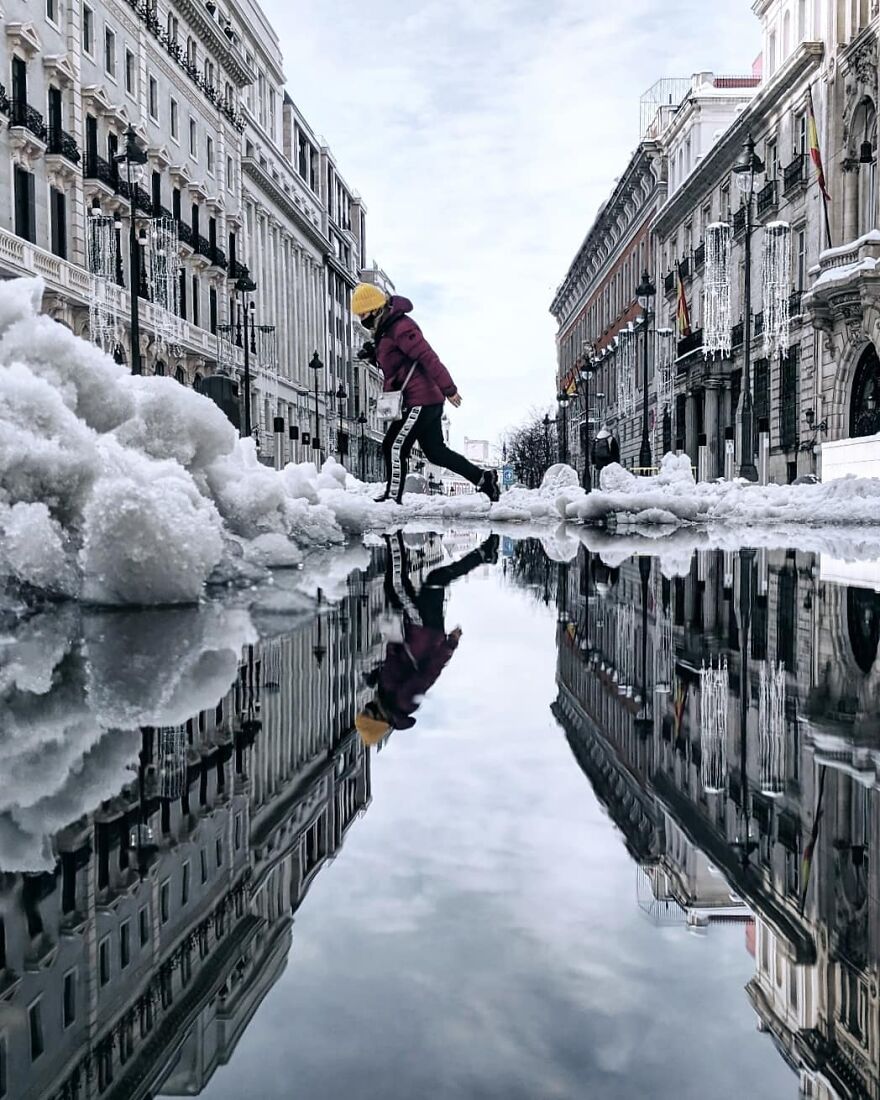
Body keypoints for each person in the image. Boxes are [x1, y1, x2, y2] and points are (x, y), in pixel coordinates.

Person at [351, 284, 500, 504]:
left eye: (363, 313)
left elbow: (427, 356)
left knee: (393, 445)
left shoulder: (401, 327)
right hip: (424, 399)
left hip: (420, 399)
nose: (362, 318)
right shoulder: (386, 330)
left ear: (375, 309)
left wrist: (449, 388)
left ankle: (392, 498)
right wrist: (374, 354)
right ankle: (483, 478)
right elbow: (399, 363)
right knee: (435, 452)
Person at [355, 532, 499, 746]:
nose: (367, 705)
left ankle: (484, 554)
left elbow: (396, 663)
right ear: (377, 718)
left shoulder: (387, 697)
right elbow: (428, 674)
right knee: (396, 586)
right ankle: (393, 534)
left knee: (436, 580)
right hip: (421, 632)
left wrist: (376, 674)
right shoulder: (402, 702)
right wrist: (450, 644)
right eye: (368, 710)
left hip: (419, 632)